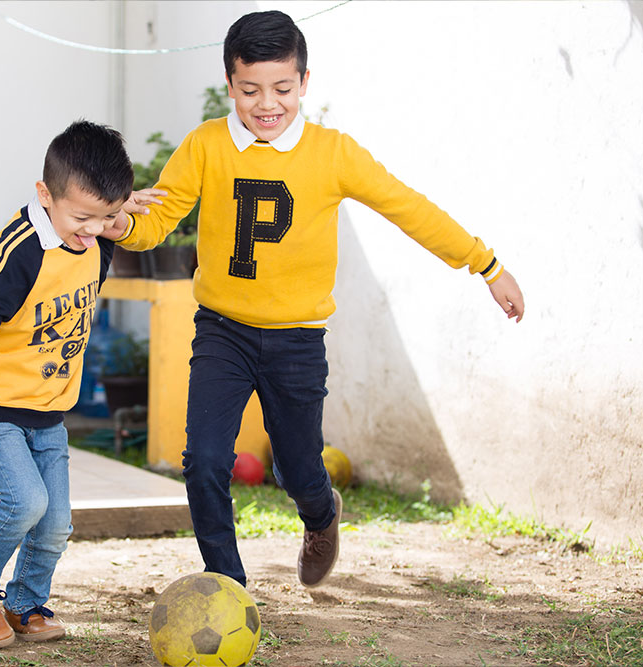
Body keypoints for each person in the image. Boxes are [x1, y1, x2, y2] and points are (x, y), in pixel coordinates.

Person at [105, 10, 524, 591]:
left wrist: (486, 264)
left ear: (305, 82)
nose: (266, 103)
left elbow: (409, 209)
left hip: (297, 339)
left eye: (281, 88)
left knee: (297, 469)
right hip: (222, 330)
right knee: (203, 462)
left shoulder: (333, 153)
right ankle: (228, 588)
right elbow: (156, 224)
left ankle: (321, 514)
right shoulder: (205, 145)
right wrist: (120, 224)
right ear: (230, 85)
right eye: (250, 90)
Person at [0, 120, 133, 646]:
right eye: (83, 217)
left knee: (56, 521)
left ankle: (25, 603)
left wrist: (122, 218)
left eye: (106, 216)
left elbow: (109, 232)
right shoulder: (23, 248)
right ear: (45, 195)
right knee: (25, 502)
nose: (93, 229)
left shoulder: (91, 238)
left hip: (48, 407)